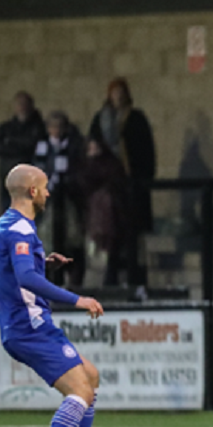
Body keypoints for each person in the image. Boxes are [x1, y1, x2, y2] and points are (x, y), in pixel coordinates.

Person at [0, 164, 111, 427]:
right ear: (32, 191)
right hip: (28, 327)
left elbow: (15, 271)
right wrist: (77, 299)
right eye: (44, 187)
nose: (47, 193)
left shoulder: (5, 224)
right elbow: (25, 278)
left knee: (90, 375)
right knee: (81, 391)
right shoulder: (20, 229)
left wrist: (44, 264)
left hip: (26, 325)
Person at [88, 77, 156, 286]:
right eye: (114, 92)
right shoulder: (100, 120)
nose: (117, 96)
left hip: (131, 186)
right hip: (109, 188)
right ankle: (111, 279)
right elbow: (92, 152)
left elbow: (147, 152)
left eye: (121, 92)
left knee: (133, 235)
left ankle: (137, 279)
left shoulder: (136, 119)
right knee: (112, 234)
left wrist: (142, 179)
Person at [33, 111, 86, 287]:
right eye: (53, 126)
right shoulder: (42, 146)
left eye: (59, 126)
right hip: (48, 200)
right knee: (47, 238)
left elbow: (77, 169)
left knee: (71, 239)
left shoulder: (73, 146)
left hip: (68, 199)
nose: (56, 130)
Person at [80, 139, 131, 286]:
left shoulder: (111, 166)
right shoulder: (83, 167)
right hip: (88, 218)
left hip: (109, 220)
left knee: (108, 253)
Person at [0, 92, 46, 209]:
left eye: (25, 104)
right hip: (8, 175)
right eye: (19, 104)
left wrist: (10, 142)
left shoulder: (39, 127)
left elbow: (31, 145)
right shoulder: (6, 127)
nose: (22, 107)